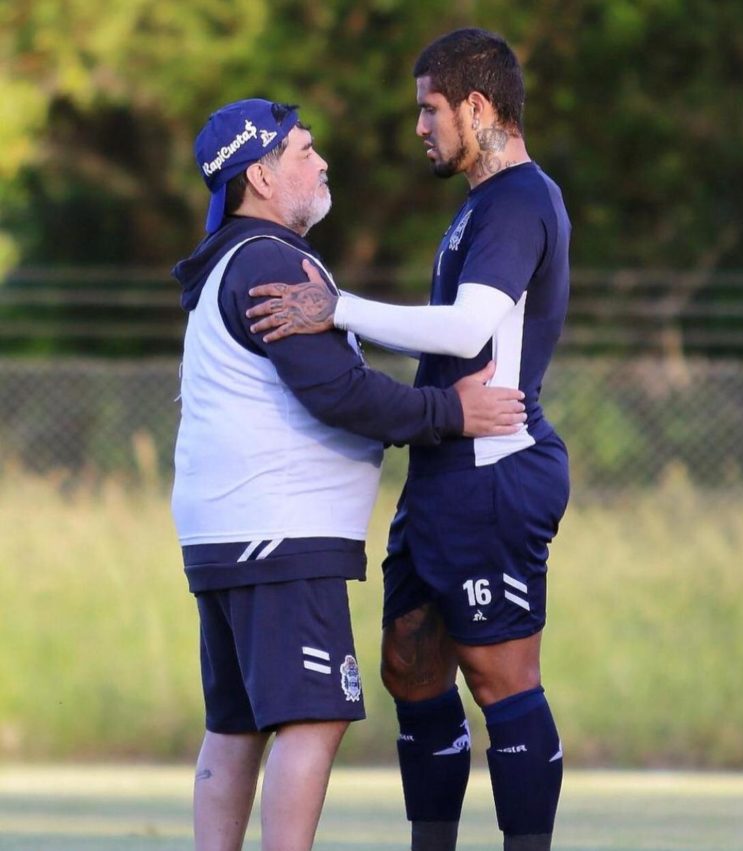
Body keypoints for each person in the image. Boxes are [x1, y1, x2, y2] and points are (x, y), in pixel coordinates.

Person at [170, 96, 526, 851]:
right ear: (260, 177)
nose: (322, 162)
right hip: (279, 537)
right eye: (304, 150)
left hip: (227, 534)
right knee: (314, 716)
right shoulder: (270, 261)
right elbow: (338, 393)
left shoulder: (230, 259)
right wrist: (451, 411)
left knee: (235, 726)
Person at [246, 28, 571, 851]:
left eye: (430, 109)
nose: (420, 126)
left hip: (495, 473)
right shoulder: (478, 206)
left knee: (501, 677)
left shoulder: (521, 200)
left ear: (477, 106)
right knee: (410, 665)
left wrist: (338, 309)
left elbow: (467, 328)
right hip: (442, 474)